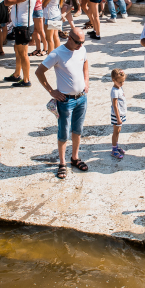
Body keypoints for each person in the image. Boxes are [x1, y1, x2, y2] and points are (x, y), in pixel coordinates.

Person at [36, 28, 90, 178]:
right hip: (65, 101)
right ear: (69, 38)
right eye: (78, 42)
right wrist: (51, 91)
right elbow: (39, 72)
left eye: (83, 42)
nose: (81, 45)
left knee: (77, 130)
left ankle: (75, 158)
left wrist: (86, 81)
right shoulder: (57, 53)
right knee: (63, 133)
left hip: (81, 98)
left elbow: (85, 62)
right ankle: (62, 163)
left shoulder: (82, 49)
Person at [4, 0, 37, 87]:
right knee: (17, 51)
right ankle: (17, 74)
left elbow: (7, 1)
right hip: (23, 26)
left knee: (23, 54)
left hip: (23, 27)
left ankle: (26, 80)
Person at [109, 68, 126, 160]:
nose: (122, 83)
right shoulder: (114, 91)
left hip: (121, 114)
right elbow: (115, 105)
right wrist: (118, 117)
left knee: (118, 131)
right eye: (120, 82)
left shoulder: (119, 87)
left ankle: (116, 145)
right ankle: (113, 149)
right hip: (117, 115)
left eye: (123, 81)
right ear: (114, 80)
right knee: (115, 132)